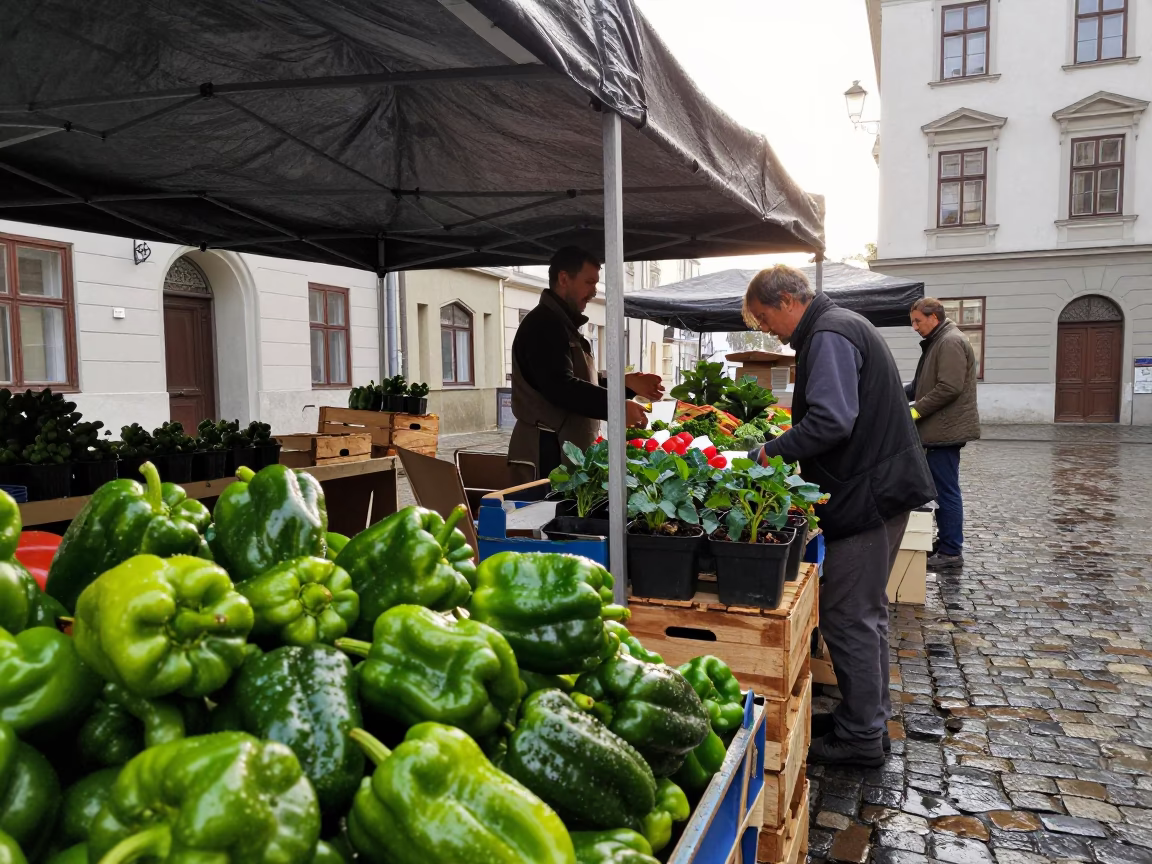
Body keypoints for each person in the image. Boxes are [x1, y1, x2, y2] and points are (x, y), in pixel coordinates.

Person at [742, 264, 935, 767]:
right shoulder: (839, 326)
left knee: (848, 614)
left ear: (787, 300)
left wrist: (772, 451)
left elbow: (831, 418)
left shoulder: (828, 332)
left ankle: (862, 738)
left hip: (869, 495)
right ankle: (862, 718)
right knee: (864, 613)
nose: (770, 334)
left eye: (766, 319)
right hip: (876, 489)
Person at [509, 246, 664, 478]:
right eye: (589, 282)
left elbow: (580, 380)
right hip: (545, 454)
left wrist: (627, 384)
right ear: (564, 278)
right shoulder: (543, 325)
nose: (594, 292)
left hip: (563, 453)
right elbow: (561, 387)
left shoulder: (562, 324)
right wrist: (617, 407)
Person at [906, 297, 981, 570]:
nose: (914, 327)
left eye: (917, 321)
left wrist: (914, 412)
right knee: (941, 490)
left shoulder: (949, 341)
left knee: (946, 492)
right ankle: (947, 541)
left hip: (944, 431)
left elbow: (949, 387)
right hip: (939, 429)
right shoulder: (938, 341)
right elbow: (919, 385)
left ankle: (951, 552)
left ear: (934, 318)